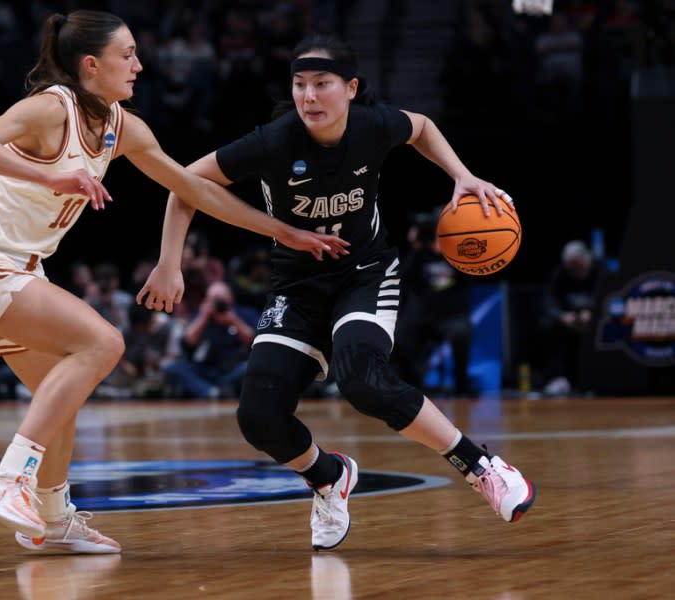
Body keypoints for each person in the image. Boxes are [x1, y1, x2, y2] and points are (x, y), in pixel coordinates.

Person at [0, 9, 346, 556]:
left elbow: (194, 189)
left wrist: (281, 231)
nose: (139, 64)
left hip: (19, 270)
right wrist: (50, 173)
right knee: (104, 342)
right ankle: (8, 481)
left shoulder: (120, 127)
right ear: (91, 64)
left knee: (58, 397)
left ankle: (52, 519)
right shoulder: (48, 109)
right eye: (126, 55)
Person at [139, 33, 536, 551]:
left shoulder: (372, 125)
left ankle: (481, 465)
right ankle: (328, 476)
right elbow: (186, 182)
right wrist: (170, 263)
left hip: (363, 273)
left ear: (350, 88)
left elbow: (422, 128)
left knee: (362, 379)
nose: (308, 96)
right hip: (297, 286)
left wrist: (462, 176)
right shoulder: (275, 141)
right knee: (258, 415)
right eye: (300, 84)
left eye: (322, 84)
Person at [393, 215, 474, 396]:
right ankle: (411, 385)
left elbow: (467, 280)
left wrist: (446, 249)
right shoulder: (419, 254)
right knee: (399, 336)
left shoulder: (458, 252)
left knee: (461, 332)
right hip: (423, 316)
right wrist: (416, 247)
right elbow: (403, 278)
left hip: (451, 316)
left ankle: (461, 386)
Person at [540, 239, 604, 396]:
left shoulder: (600, 270)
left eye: (578, 265)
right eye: (571, 267)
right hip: (568, 321)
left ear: (586, 259)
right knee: (548, 326)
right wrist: (562, 316)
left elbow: (610, 297)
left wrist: (593, 312)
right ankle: (559, 379)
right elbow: (548, 302)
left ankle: (595, 379)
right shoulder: (560, 274)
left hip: (596, 320)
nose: (575, 271)